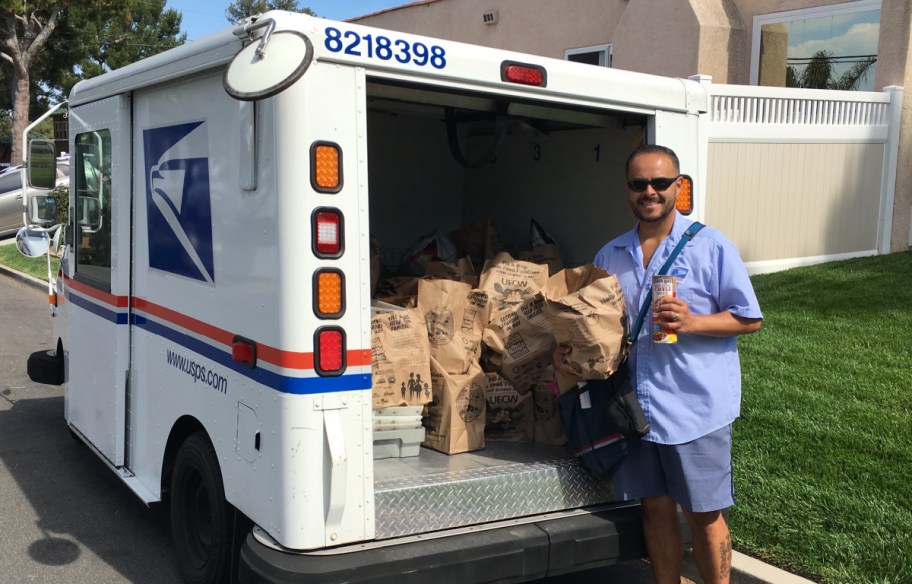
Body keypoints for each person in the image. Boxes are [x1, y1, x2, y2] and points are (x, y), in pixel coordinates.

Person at [555, 144, 762, 584]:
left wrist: (694, 321)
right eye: (638, 183)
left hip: (695, 408)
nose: (649, 191)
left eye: (660, 183)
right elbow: (599, 323)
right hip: (636, 408)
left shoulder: (709, 246)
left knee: (705, 515)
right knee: (653, 506)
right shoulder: (610, 254)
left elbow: (749, 318)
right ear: (628, 190)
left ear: (678, 187)